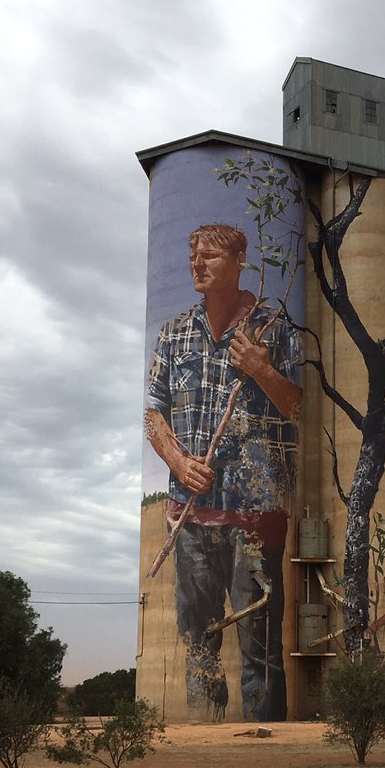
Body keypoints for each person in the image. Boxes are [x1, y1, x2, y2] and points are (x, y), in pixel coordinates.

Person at [144, 223, 301, 722]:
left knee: (260, 645)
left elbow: (300, 407)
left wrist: (262, 369)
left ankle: (265, 744)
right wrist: (178, 462)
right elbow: (153, 413)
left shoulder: (273, 328)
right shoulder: (174, 333)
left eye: (210, 256)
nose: (198, 264)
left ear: (238, 263)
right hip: (190, 516)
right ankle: (203, 741)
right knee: (199, 644)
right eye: (194, 256)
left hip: (255, 514)